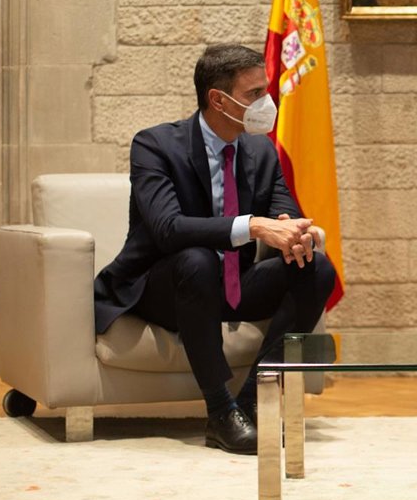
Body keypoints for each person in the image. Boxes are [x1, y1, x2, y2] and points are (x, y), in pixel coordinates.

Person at [93, 44, 336, 455]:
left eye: (265, 91)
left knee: (318, 267)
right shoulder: (155, 145)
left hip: (232, 286)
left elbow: (285, 211)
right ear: (218, 100)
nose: (266, 103)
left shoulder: (260, 150)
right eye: (253, 94)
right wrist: (253, 225)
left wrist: (295, 232)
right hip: (163, 289)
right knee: (197, 259)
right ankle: (220, 411)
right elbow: (168, 229)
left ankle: (253, 400)